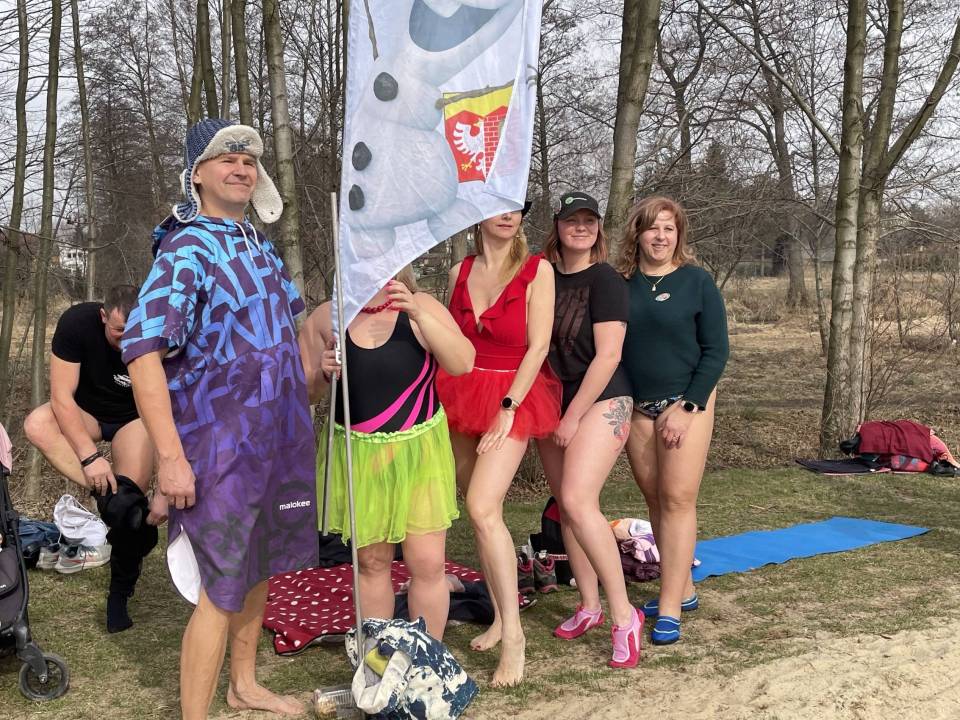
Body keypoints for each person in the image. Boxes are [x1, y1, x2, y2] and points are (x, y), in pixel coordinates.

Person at [121, 118, 318, 719]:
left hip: (277, 440)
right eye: (226, 158)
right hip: (220, 446)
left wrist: (319, 367)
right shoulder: (186, 249)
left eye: (249, 161)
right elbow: (142, 352)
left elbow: (290, 337)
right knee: (222, 583)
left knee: (260, 566)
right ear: (197, 174)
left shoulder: (259, 246)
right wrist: (170, 459)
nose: (241, 168)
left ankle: (244, 684)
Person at [298, 267, 475, 640]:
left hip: (420, 452)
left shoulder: (421, 304)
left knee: (427, 564)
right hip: (359, 457)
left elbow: (463, 363)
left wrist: (419, 314)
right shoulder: (328, 316)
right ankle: (376, 657)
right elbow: (306, 393)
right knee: (372, 562)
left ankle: (426, 657)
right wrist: (322, 374)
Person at [436, 206, 560, 686]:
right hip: (460, 391)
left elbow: (539, 347)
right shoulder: (459, 271)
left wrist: (509, 406)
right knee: (481, 515)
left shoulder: (537, 270)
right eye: (498, 207)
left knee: (483, 507)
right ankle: (500, 617)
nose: (508, 216)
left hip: (513, 395)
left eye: (516, 209)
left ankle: (516, 638)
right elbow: (447, 339)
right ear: (478, 214)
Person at [535, 192, 642, 668]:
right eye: (571, 220)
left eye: (588, 220)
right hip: (549, 399)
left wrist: (573, 416)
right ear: (557, 227)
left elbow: (609, 355)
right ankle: (589, 605)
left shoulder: (606, 280)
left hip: (601, 398)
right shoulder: (541, 275)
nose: (580, 227)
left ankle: (625, 617)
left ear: (598, 228)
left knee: (579, 500)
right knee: (565, 507)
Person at [616, 196, 728, 645]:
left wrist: (688, 406)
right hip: (637, 406)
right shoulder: (621, 284)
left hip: (686, 402)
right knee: (655, 498)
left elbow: (716, 350)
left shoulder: (696, 281)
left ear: (678, 235)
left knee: (678, 499)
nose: (660, 236)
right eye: (652, 228)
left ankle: (668, 608)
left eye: (668, 228)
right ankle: (682, 590)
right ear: (638, 234)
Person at [23, 284, 163, 633]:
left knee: (128, 512)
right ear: (103, 316)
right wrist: (89, 457)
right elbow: (61, 397)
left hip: (134, 419)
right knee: (37, 424)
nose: (127, 340)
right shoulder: (76, 324)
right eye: (119, 331)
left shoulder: (159, 332)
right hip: (85, 414)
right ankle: (111, 496)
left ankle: (119, 594)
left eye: (134, 332)